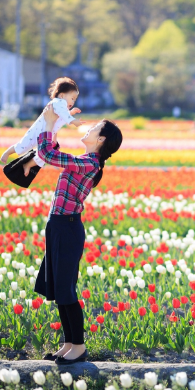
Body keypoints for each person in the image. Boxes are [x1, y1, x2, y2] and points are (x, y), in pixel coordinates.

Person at [27, 104, 122, 365]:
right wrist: (56, 123)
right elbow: (53, 153)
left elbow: (48, 154)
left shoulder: (89, 163)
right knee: (59, 289)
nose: (88, 129)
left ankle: (79, 347)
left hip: (68, 228)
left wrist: (48, 124)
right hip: (58, 225)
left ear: (101, 139)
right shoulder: (84, 161)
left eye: (93, 129)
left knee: (67, 290)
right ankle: (68, 343)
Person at [0, 77, 84, 166]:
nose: (73, 101)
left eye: (75, 99)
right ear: (62, 96)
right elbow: (63, 114)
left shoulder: (61, 106)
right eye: (72, 98)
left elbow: (61, 116)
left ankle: (28, 165)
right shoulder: (58, 102)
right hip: (36, 132)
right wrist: (73, 121)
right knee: (23, 146)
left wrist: (71, 113)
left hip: (45, 134)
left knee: (43, 154)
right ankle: (7, 153)